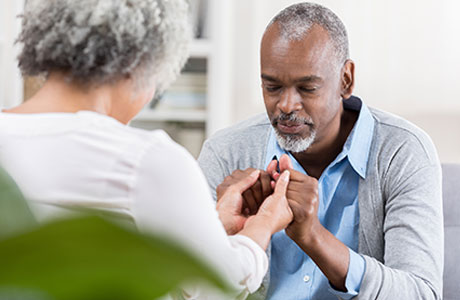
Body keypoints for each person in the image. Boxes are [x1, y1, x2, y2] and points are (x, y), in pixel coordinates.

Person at [0, 0, 294, 299]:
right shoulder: (144, 159)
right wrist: (263, 225)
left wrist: (209, 227)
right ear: (139, 62)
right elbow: (212, 283)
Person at [198, 2, 443, 299]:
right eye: (272, 87)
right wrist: (227, 237)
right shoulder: (225, 153)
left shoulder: (402, 153)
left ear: (346, 80)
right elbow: (180, 288)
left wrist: (313, 237)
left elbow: (421, 293)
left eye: (307, 88)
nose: (286, 106)